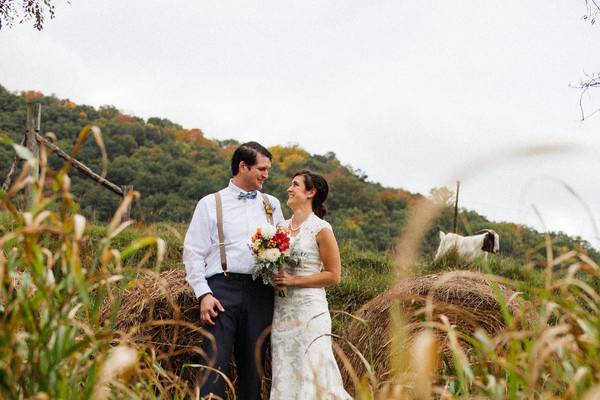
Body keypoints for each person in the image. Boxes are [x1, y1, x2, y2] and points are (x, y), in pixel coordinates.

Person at [183, 141, 285, 399]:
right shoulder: (210, 203)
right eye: (262, 169)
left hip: (261, 291)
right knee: (214, 363)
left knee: (254, 367)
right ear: (243, 166)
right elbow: (193, 251)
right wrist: (203, 294)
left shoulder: (271, 204)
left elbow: (285, 243)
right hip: (222, 289)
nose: (266, 175)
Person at [271, 170, 351, 400]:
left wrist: (293, 281)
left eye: (295, 185)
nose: (289, 189)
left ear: (311, 192)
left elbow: (333, 275)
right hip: (283, 312)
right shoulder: (280, 229)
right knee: (285, 372)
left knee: (313, 371)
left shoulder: (321, 229)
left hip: (309, 312)